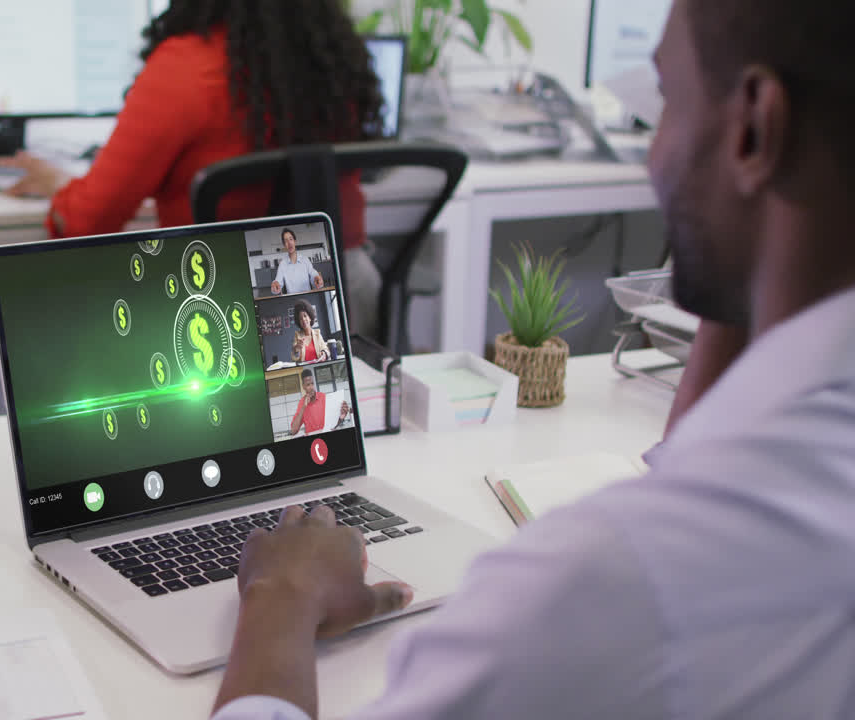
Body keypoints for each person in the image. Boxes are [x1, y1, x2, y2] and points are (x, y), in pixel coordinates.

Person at [211, 1, 855, 718]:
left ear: (755, 128)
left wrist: (280, 597)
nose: (653, 153)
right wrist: (753, 270)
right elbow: (705, 470)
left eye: (667, 98)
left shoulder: (601, 587)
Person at [0, 0, 387, 339]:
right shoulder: (334, 62)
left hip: (218, 311)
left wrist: (62, 188)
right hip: (345, 300)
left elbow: (88, 219)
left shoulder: (185, 68)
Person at [288, 368, 351, 437]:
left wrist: (341, 417)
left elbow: (333, 425)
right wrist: (303, 407)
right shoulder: (302, 403)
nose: (311, 387)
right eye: (308, 385)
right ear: (303, 387)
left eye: (312, 383)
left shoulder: (323, 397)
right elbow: (293, 431)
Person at [270, 228, 326, 296]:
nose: (289, 243)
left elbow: (313, 275)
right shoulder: (282, 264)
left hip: (308, 298)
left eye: (291, 239)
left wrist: (317, 279)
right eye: (286, 241)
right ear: (284, 245)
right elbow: (277, 283)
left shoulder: (305, 260)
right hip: (292, 300)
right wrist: (275, 285)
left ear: (295, 241)